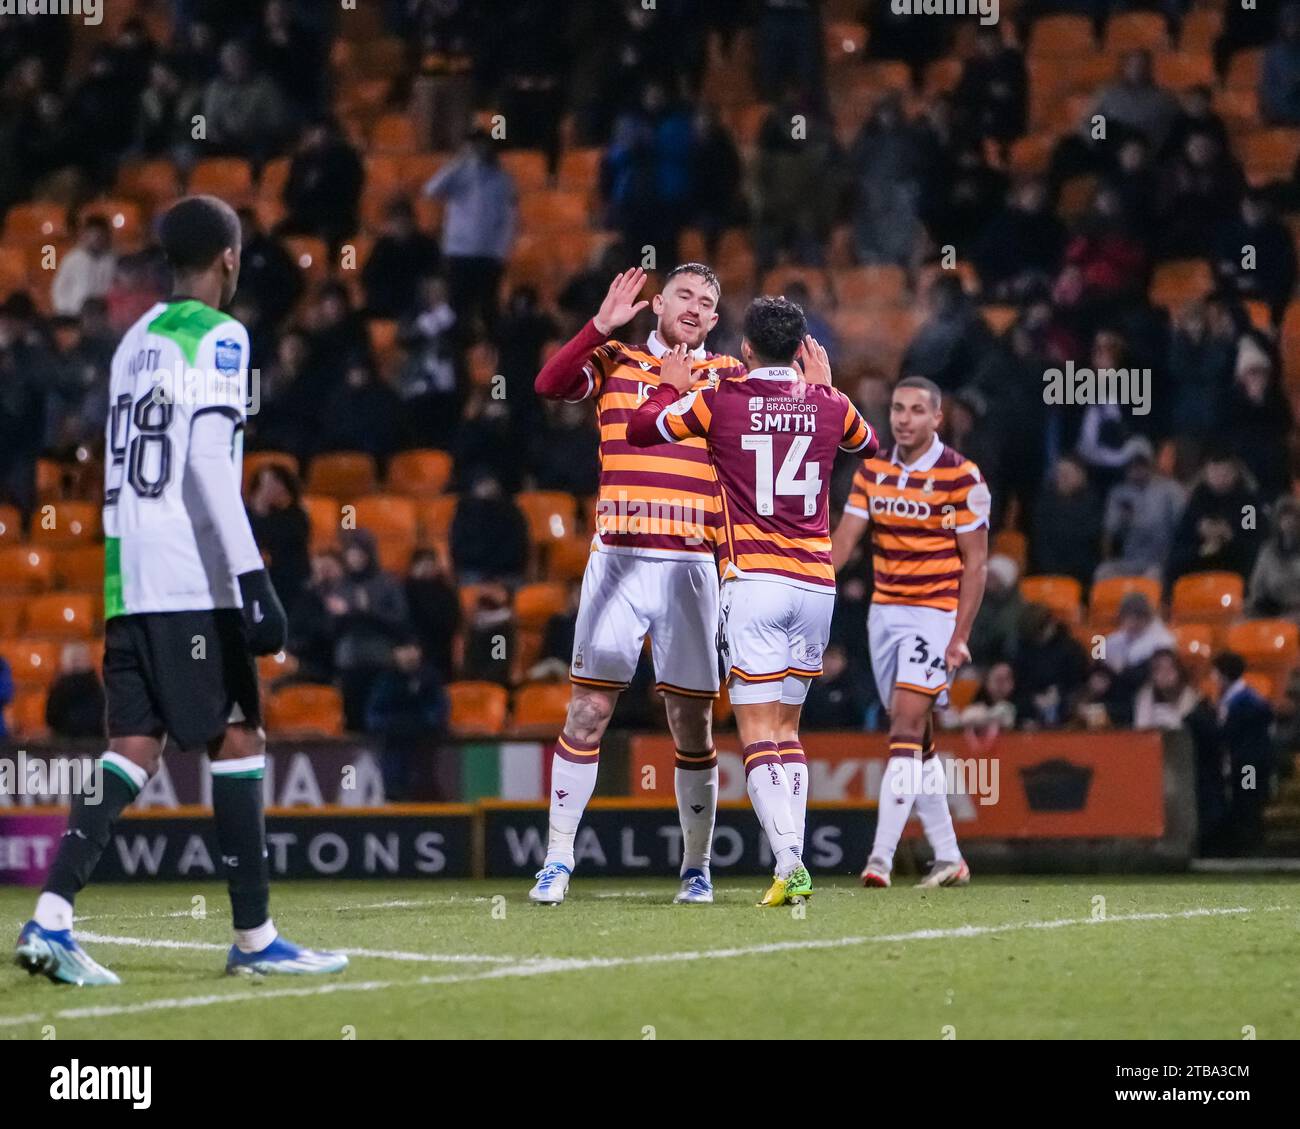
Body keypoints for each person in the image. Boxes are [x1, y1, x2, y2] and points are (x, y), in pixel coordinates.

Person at [16, 195, 345, 986]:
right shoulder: (223, 336)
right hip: (188, 573)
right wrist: (255, 579)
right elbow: (204, 464)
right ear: (229, 258)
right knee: (237, 737)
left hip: (127, 571)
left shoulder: (134, 342)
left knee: (135, 745)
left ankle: (52, 916)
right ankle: (255, 935)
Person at [630, 298, 876, 907]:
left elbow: (642, 432)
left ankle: (791, 860)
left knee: (757, 730)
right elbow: (865, 445)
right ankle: (793, 859)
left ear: (744, 349)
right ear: (802, 350)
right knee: (788, 730)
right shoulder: (832, 403)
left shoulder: (722, 401)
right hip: (817, 585)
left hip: (756, 582)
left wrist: (667, 388)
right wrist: (818, 391)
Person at [527, 264, 745, 907]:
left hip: (691, 567)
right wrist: (597, 324)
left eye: (709, 301)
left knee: (692, 724)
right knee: (588, 712)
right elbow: (547, 383)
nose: (697, 307)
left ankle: (696, 868)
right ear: (656, 304)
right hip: (618, 561)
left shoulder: (729, 376)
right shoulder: (615, 359)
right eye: (685, 294)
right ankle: (557, 861)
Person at [832, 375, 990, 889]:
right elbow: (843, 545)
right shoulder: (872, 469)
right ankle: (949, 856)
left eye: (916, 410)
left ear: (936, 418)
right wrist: (799, 586)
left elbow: (977, 564)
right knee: (916, 739)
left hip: (933, 613)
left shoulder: (962, 477)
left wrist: (959, 634)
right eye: (898, 408)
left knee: (903, 725)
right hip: (885, 614)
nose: (903, 418)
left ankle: (879, 859)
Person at [421, 129, 518, 338]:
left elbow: (508, 218)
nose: (479, 151)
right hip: (459, 252)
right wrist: (458, 162)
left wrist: (502, 250)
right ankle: (455, 355)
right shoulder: (459, 173)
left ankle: (492, 356)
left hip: (488, 254)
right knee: (455, 309)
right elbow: (430, 190)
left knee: (488, 309)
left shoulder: (502, 179)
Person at [1212, 651, 1275, 855]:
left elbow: (1232, 732)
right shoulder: (1235, 699)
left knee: (1249, 798)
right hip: (1242, 760)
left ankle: (1252, 844)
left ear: (1224, 674)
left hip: (1249, 763)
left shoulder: (1247, 701)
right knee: (1242, 799)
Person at [246, 463, 310, 608]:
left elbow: (281, 539)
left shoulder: (297, 516)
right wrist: (259, 507)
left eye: (275, 483)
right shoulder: (247, 515)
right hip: (258, 581)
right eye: (265, 485)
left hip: (291, 583)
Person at [51, 215, 116, 317]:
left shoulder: (113, 260)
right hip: (75, 313)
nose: (97, 240)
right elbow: (59, 289)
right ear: (85, 235)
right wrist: (65, 312)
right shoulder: (72, 259)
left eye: (100, 236)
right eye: (93, 236)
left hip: (104, 316)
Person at [1248, 496, 1300, 621]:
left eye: (1294, 519)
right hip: (1273, 608)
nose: (1289, 523)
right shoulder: (1267, 550)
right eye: (1285, 518)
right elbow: (1257, 586)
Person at [44, 641, 106, 740]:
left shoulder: (59, 688)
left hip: (66, 743)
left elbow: (51, 718)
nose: (77, 662)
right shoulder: (98, 688)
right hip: (92, 743)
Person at [1133, 649, 1199, 731]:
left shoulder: (1189, 695)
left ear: (1178, 671)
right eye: (1159, 669)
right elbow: (1141, 729)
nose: (1165, 673)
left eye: (1170, 668)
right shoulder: (1146, 695)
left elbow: (1187, 728)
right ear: (1152, 674)